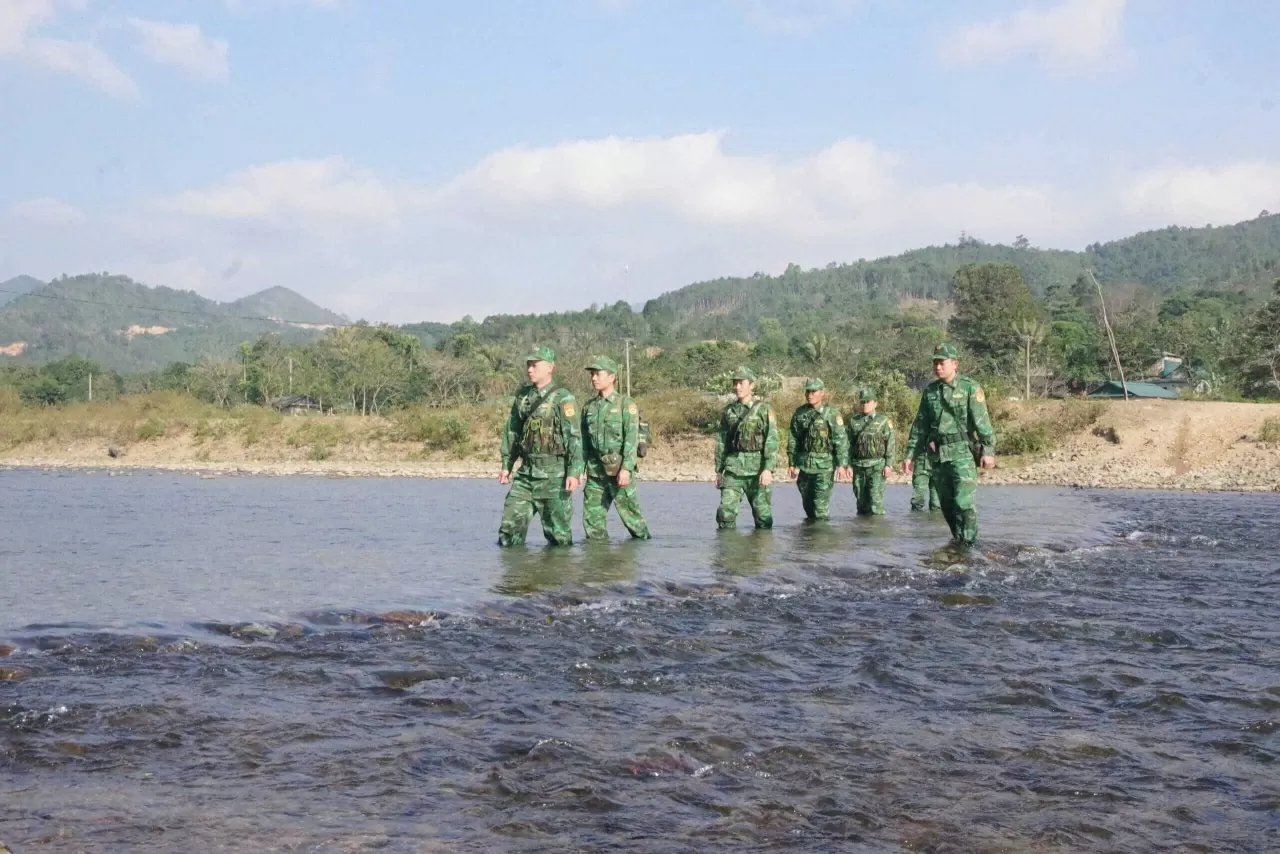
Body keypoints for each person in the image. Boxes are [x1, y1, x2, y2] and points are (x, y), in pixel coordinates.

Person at [903, 343, 997, 545]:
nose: (937, 367)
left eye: (941, 362)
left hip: (962, 452)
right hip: (938, 456)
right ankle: (959, 542)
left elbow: (982, 421)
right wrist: (910, 454)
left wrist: (988, 450)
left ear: (955, 363)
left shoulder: (970, 387)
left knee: (963, 503)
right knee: (946, 505)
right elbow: (920, 426)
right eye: (935, 363)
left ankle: (970, 543)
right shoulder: (930, 391)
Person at [497, 345, 583, 546]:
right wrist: (506, 465)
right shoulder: (522, 396)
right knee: (508, 533)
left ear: (550, 367)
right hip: (526, 475)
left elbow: (574, 437)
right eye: (528, 364)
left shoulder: (563, 398)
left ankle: (555, 576)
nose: (529, 369)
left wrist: (574, 472)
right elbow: (513, 431)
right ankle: (513, 577)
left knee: (558, 538)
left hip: (554, 478)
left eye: (535, 365)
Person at [580, 355, 651, 541]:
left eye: (598, 374)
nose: (594, 378)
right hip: (595, 473)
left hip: (618, 470)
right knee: (592, 522)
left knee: (632, 520)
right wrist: (579, 469)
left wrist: (627, 468)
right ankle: (598, 564)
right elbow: (584, 442)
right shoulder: (589, 407)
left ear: (612, 377)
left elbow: (631, 437)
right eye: (592, 374)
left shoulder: (625, 404)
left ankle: (639, 557)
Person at [714, 366, 779, 530]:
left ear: (752, 385)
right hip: (733, 469)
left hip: (756, 470)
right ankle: (728, 553)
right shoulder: (729, 412)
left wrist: (768, 469)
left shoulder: (764, 410)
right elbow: (722, 441)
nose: (737, 387)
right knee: (725, 514)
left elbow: (772, 440)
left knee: (762, 517)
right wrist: (718, 470)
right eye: (735, 383)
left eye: (741, 383)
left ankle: (760, 553)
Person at [786, 378, 851, 521]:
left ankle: (822, 538)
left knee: (820, 508)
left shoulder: (831, 414)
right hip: (804, 466)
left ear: (822, 393)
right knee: (808, 506)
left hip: (824, 466)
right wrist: (792, 463)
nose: (810, 394)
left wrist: (842, 465)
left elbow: (841, 441)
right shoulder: (800, 413)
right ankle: (809, 540)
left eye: (814, 391)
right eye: (808, 391)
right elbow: (793, 439)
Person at [847, 386, 896, 515]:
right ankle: (862, 531)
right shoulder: (854, 421)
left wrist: (888, 465)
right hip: (859, 466)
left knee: (875, 501)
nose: (865, 405)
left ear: (875, 403)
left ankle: (877, 531)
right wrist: (847, 465)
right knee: (861, 502)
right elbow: (849, 445)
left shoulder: (883, 421)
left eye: (868, 401)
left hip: (877, 465)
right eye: (862, 402)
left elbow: (890, 443)